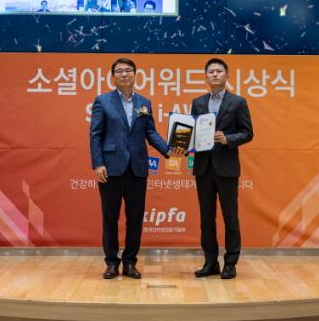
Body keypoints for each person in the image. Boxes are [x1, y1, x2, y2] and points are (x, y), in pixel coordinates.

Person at [90, 58, 185, 280]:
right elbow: (95, 134)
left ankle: (130, 262)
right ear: (113, 76)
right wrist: (98, 163)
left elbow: (150, 132)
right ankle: (111, 263)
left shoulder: (144, 102)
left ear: (135, 74)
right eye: (119, 71)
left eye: (128, 71)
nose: (124, 74)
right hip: (110, 168)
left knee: (135, 218)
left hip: (137, 168)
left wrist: (168, 150)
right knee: (110, 218)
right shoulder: (102, 101)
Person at [191, 58, 253, 279]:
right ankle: (210, 262)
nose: (215, 75)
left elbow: (247, 133)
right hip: (203, 167)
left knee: (230, 218)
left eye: (219, 71)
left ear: (227, 76)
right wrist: (183, 141)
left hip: (226, 168)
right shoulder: (198, 102)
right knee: (206, 219)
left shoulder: (238, 102)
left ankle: (230, 263)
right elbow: (192, 132)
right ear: (206, 77)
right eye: (211, 72)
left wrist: (228, 139)